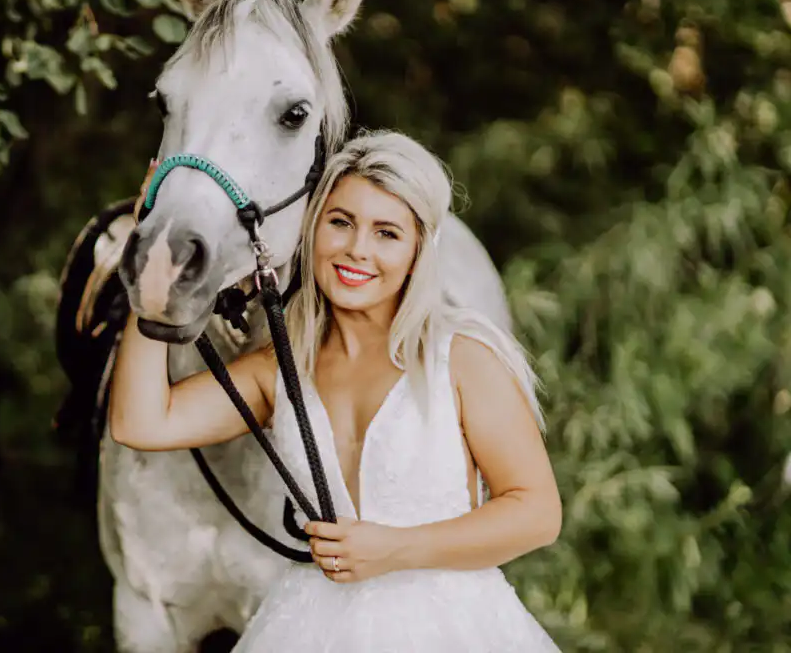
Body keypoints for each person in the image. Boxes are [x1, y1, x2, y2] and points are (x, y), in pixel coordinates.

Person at [109, 130, 562, 651]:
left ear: (418, 250)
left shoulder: (461, 357)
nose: (357, 249)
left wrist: (395, 549)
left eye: (386, 233)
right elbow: (140, 422)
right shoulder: (278, 370)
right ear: (313, 228)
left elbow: (537, 512)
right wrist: (152, 274)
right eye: (341, 223)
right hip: (309, 626)